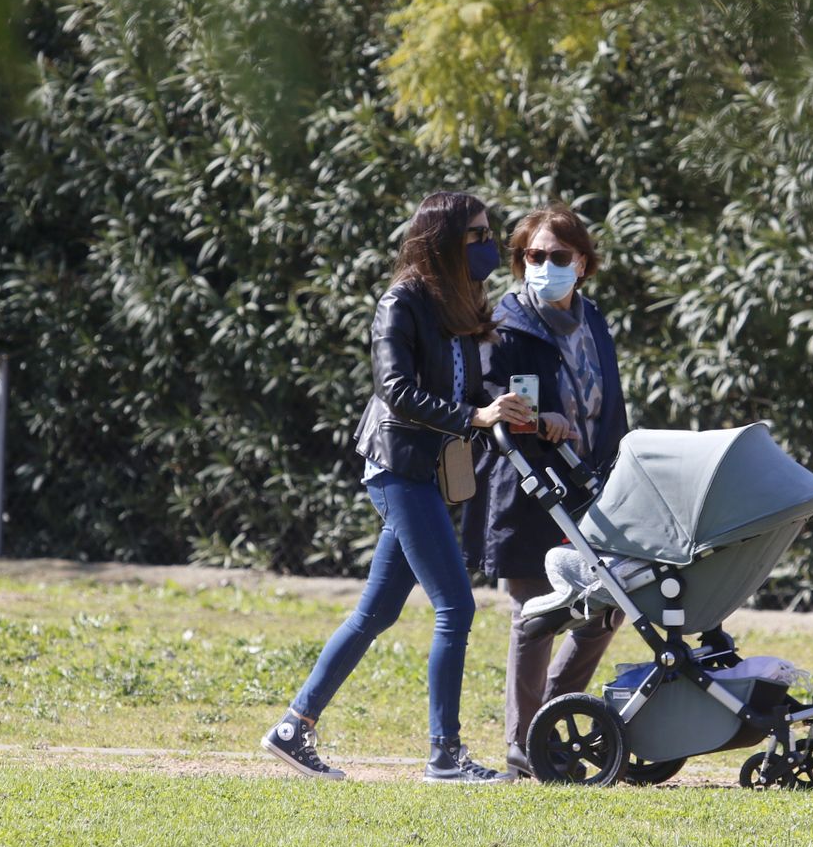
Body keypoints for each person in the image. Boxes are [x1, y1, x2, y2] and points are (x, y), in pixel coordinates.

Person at [262, 191, 533, 783]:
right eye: (477, 235)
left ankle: (293, 728)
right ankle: (445, 755)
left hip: (430, 471)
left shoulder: (458, 303)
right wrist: (474, 419)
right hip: (399, 468)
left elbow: (459, 393)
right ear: (441, 240)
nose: (489, 245)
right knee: (455, 607)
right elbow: (396, 390)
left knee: (375, 613)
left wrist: (496, 410)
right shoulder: (401, 303)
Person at [462, 205, 628, 779]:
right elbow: (494, 400)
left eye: (560, 257)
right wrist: (540, 418)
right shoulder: (504, 326)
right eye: (536, 257)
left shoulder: (595, 322)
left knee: (608, 606)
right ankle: (521, 745)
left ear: (582, 263)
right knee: (533, 613)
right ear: (520, 261)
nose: (547, 266)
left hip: (592, 484)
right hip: (527, 484)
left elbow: (613, 404)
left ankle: (549, 722)